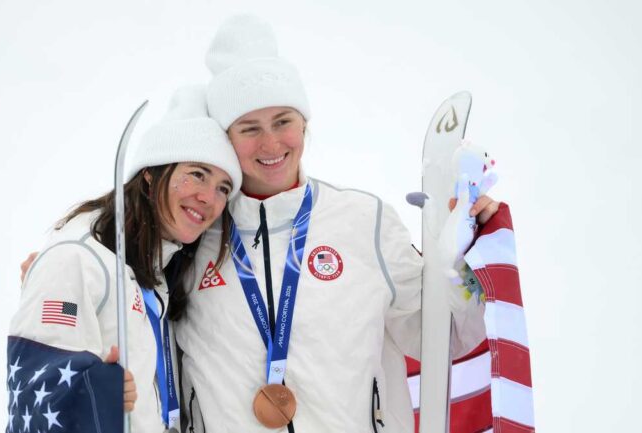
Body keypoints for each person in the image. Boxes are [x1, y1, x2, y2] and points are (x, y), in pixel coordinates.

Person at [174, 15, 500, 433]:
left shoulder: (365, 220)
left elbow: (444, 338)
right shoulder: (194, 238)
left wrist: (465, 258)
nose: (271, 144)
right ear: (225, 138)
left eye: (283, 121)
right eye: (249, 128)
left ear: (305, 124)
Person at [6, 85, 241, 433]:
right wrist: (92, 393)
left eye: (223, 187)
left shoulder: (159, 272)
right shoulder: (77, 258)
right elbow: (31, 395)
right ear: (150, 174)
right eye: (197, 174)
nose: (209, 197)